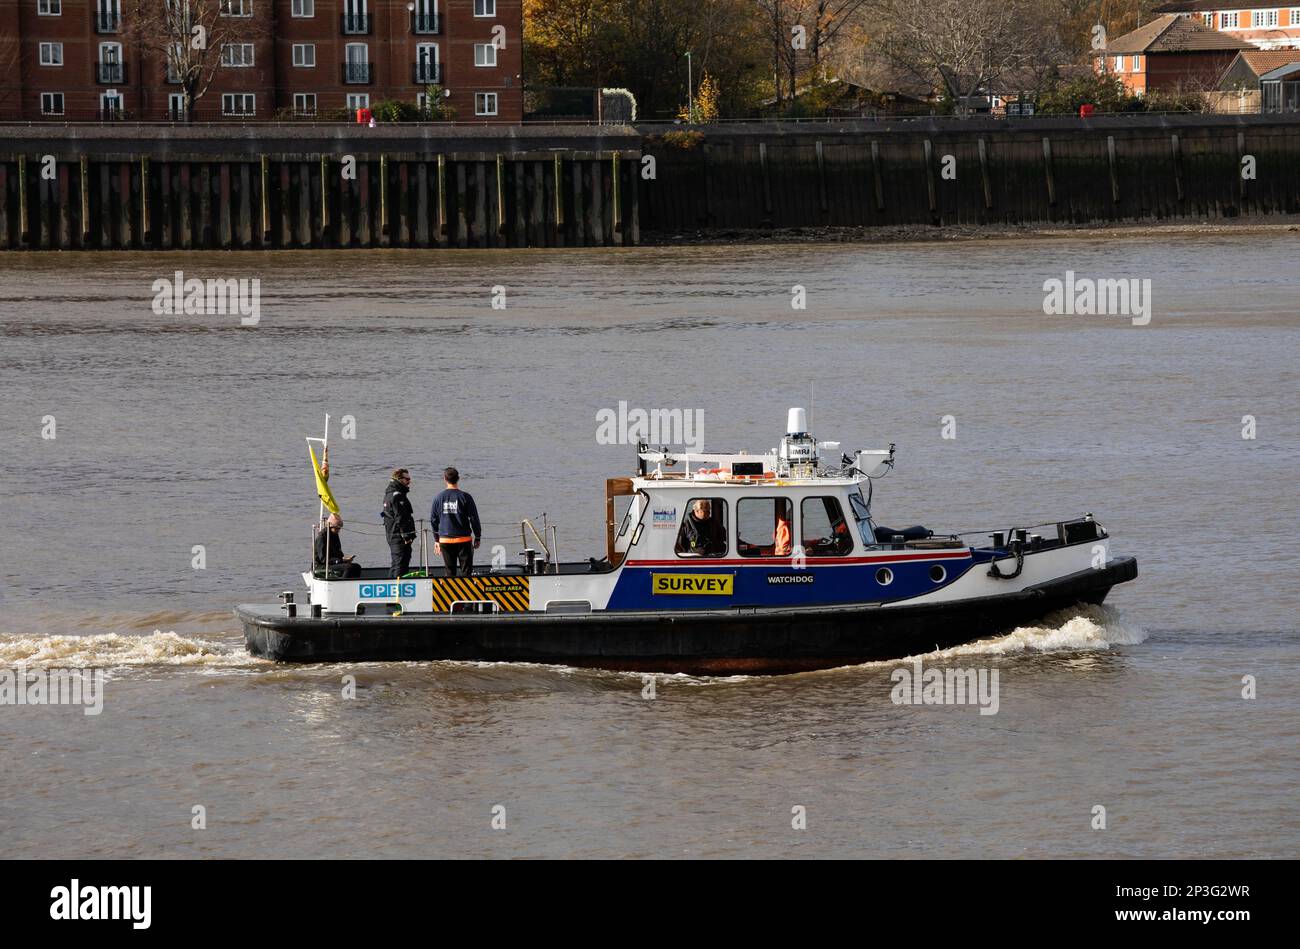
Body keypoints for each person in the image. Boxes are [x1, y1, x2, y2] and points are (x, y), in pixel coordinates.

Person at [430, 467, 481, 578]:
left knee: (449, 572)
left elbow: (433, 520)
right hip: (464, 540)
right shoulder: (465, 497)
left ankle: (449, 593)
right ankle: (467, 593)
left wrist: (436, 540)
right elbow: (474, 519)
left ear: (445, 479)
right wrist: (478, 537)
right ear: (458, 478)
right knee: (466, 572)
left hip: (445, 540)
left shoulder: (438, 498)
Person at [382, 468, 416, 578]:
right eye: (407, 479)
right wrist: (406, 536)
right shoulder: (396, 495)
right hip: (398, 536)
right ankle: (396, 590)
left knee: (398, 563)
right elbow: (400, 518)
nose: (409, 481)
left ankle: (394, 586)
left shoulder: (390, 493)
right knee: (399, 564)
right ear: (399, 479)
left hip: (393, 534)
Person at [314, 513, 360, 579]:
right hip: (322, 565)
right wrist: (340, 561)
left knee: (357, 567)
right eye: (336, 529)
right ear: (330, 527)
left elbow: (339, 552)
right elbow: (323, 559)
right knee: (349, 568)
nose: (338, 531)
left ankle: (353, 585)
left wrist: (345, 559)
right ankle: (342, 584)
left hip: (332, 562)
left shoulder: (335, 535)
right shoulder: (321, 538)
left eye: (339, 529)